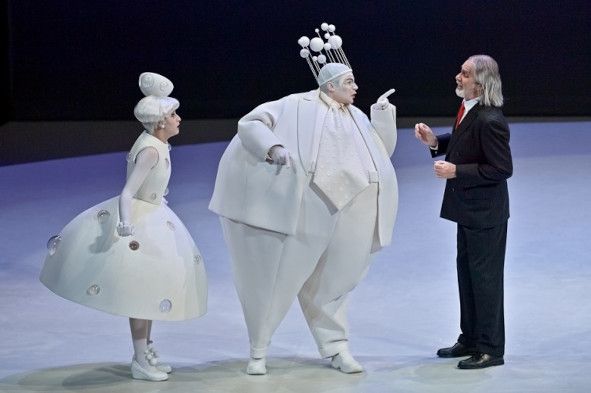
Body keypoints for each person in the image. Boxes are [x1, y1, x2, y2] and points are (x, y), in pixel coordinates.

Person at [209, 23, 398, 375]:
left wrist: (383, 118)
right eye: (349, 82)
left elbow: (381, 153)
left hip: (353, 204)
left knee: (337, 280)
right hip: (308, 203)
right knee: (277, 277)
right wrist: (273, 147)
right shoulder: (294, 104)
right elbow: (251, 123)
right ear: (330, 85)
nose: (356, 87)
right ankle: (259, 349)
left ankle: (336, 346)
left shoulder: (357, 116)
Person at [40, 72, 207, 381]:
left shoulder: (158, 144)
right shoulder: (150, 149)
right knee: (140, 293)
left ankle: (145, 352)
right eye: (173, 115)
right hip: (141, 222)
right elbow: (128, 191)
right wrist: (127, 223)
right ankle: (141, 358)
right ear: (160, 123)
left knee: (149, 291)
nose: (178, 119)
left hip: (155, 215)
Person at [414, 54, 512, 369]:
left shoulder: (490, 120)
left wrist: (457, 171)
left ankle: (491, 349)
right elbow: (462, 142)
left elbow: (501, 168)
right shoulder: (469, 109)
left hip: (485, 215)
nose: (458, 76)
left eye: (465, 73)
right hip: (468, 211)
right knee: (467, 277)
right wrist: (434, 142)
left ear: (480, 83)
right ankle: (470, 338)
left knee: (485, 281)